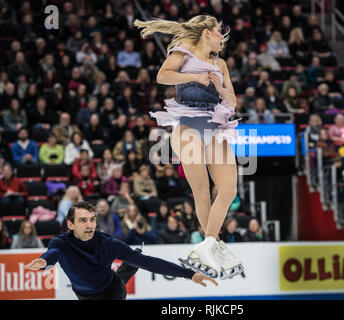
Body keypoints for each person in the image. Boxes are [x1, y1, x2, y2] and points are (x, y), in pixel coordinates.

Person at [135, 15, 242, 279]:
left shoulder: (222, 64)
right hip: (187, 125)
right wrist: (195, 76)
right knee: (202, 191)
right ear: (206, 33)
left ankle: (208, 244)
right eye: (219, 32)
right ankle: (212, 244)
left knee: (228, 190)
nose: (222, 37)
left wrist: (220, 88)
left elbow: (232, 100)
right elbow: (163, 76)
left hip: (215, 126)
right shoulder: (183, 49)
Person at [24, 202, 217, 300]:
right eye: (83, 220)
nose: (90, 224)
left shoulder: (107, 243)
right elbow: (52, 255)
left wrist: (189, 274)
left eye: (92, 219)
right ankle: (129, 264)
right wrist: (43, 263)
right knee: (126, 267)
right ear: (70, 224)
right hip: (84, 294)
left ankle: (130, 262)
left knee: (126, 272)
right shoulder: (61, 243)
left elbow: (150, 263)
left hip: (111, 291)